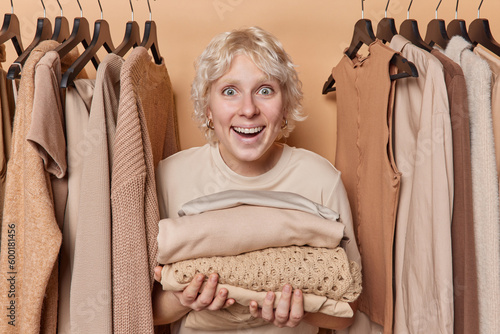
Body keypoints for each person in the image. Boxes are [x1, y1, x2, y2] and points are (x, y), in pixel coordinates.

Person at [152, 26, 361, 333]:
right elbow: (146, 310)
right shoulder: (169, 177)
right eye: (229, 91)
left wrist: (303, 311)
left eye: (265, 90)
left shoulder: (320, 180)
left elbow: (347, 312)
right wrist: (185, 298)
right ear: (208, 108)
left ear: (285, 105)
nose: (248, 109)